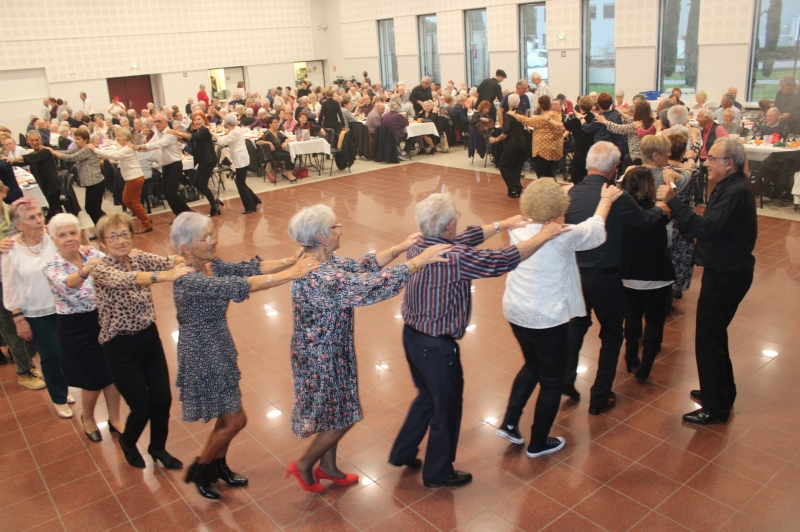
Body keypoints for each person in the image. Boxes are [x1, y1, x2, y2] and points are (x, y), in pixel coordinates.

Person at [389, 193, 569, 488]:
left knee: (426, 397)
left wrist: (503, 223)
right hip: (436, 347)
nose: (459, 226)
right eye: (455, 221)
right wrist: (544, 235)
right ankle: (438, 473)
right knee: (446, 408)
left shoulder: (420, 243)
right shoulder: (454, 258)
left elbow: (468, 237)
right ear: (448, 227)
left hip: (413, 337)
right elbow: (503, 259)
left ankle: (402, 452)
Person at [285, 204, 449, 492]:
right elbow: (369, 286)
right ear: (322, 236)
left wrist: (400, 248)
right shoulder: (318, 274)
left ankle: (328, 467)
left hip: (327, 348)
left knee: (330, 411)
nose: (340, 230)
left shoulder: (323, 259)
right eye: (335, 227)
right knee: (344, 416)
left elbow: (361, 267)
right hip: (321, 355)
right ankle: (303, 464)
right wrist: (417, 261)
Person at [170, 213, 317, 498]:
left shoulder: (210, 266)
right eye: (205, 238)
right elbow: (240, 285)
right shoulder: (187, 279)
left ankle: (218, 466)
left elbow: (250, 268)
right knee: (236, 420)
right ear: (186, 248)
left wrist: (290, 260)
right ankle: (200, 469)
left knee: (226, 417)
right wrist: (291, 274)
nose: (213, 241)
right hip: (202, 351)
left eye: (213, 234)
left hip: (218, 344)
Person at [496, 178, 623, 455]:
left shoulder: (519, 228)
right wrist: (606, 200)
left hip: (516, 310)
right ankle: (539, 442)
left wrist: (554, 194)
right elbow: (595, 229)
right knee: (552, 381)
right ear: (559, 208)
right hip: (546, 318)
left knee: (532, 365)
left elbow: (541, 213)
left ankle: (509, 423)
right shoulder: (562, 235)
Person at [656, 138, 756, 424]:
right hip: (726, 270)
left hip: (726, 274)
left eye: (712, 159)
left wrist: (673, 200)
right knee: (715, 334)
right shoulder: (730, 186)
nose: (706, 163)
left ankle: (716, 406)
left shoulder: (735, 191)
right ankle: (722, 390)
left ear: (730, 163)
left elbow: (706, 228)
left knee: (708, 338)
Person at [563, 142, 666, 410]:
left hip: (574, 275)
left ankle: (566, 378)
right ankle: (600, 395)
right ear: (615, 168)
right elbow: (644, 219)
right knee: (610, 335)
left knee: (576, 326)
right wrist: (662, 209)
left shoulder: (570, 192)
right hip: (606, 277)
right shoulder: (616, 196)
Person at [90, 212, 193, 468]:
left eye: (124, 234)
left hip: (148, 338)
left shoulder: (137, 257)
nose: (120, 240)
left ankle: (157, 448)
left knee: (163, 399)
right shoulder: (100, 268)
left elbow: (168, 261)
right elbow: (128, 280)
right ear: (102, 243)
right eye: (112, 236)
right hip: (119, 346)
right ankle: (127, 441)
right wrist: (164, 277)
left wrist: (183, 259)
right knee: (141, 406)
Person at [43, 213, 124, 441]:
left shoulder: (93, 255)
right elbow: (68, 284)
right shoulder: (52, 267)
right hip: (75, 327)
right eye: (62, 235)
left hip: (102, 320)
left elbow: (116, 263)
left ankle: (115, 418)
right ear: (53, 239)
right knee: (92, 379)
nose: (69, 238)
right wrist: (86, 269)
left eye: (72, 233)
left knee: (112, 373)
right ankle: (87, 418)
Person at [2, 198, 71, 417]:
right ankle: (59, 397)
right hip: (36, 312)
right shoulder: (11, 249)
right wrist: (18, 318)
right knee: (50, 355)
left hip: (63, 307)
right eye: (32, 218)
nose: (39, 220)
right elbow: (10, 287)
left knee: (65, 352)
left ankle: (64, 386)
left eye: (40, 215)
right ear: (19, 225)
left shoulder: (52, 237)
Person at [617, 168, 676, 384]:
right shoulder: (660, 211)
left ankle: (630, 354)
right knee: (655, 321)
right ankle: (646, 366)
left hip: (629, 275)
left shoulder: (620, 211)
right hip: (658, 274)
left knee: (631, 316)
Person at [0, 186, 42, 387]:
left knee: (30, 324)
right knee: (11, 328)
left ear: (3, 192)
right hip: (3, 283)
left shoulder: (16, 213)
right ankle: (23, 371)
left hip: (24, 277)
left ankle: (30, 361)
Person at [92, 127, 153, 233]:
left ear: (125, 136)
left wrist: (95, 149)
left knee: (134, 202)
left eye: (119, 136)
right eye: (116, 136)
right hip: (130, 178)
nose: (117, 138)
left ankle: (146, 223)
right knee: (126, 201)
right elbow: (112, 152)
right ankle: (144, 217)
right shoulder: (122, 147)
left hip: (135, 177)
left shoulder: (127, 149)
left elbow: (113, 155)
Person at [133, 113, 192, 219]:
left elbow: (157, 145)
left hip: (174, 165)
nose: (157, 124)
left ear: (165, 122)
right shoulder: (157, 134)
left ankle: (188, 212)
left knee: (171, 192)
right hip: (166, 166)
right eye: (155, 121)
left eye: (159, 121)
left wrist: (139, 147)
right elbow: (151, 142)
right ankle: (179, 214)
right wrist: (138, 147)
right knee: (165, 191)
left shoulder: (169, 134)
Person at [46, 128, 107, 225]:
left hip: (96, 184)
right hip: (91, 184)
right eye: (75, 138)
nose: (75, 141)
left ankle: (108, 225)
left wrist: (54, 153)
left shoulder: (87, 149)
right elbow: (68, 152)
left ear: (85, 140)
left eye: (78, 139)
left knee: (93, 209)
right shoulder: (80, 148)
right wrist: (52, 151)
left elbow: (71, 158)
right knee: (91, 209)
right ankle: (101, 228)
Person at [168, 112, 222, 217]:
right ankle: (214, 200)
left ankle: (214, 205)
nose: (196, 122)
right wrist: (177, 135)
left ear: (203, 120)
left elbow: (193, 137)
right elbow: (186, 137)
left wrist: (177, 133)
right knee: (196, 183)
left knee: (201, 184)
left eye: (199, 119)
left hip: (208, 160)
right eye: (195, 120)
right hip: (201, 161)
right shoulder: (193, 129)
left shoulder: (205, 130)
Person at [665, 134, 699, 301]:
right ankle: (677, 287)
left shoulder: (663, 170)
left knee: (667, 252)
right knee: (682, 253)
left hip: (666, 216)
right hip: (684, 216)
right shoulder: (691, 172)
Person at [5, 130, 62, 221]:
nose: (34, 143)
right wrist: (9, 162)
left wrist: (13, 159)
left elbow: (29, 158)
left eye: (36, 140)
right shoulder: (33, 153)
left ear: (40, 139)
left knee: (55, 210)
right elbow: (25, 161)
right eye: (32, 140)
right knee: (54, 209)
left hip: (52, 185)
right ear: (28, 140)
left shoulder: (45, 152)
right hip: (45, 185)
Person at [217, 113, 260, 214]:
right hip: (242, 157)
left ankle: (250, 206)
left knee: (240, 184)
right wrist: (218, 113)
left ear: (227, 124)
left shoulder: (233, 133)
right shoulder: (237, 129)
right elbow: (227, 121)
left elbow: (221, 141)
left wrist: (210, 132)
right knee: (241, 182)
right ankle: (254, 200)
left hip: (240, 159)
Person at [515, 96, 565, 179]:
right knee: (551, 173)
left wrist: (514, 114)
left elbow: (526, 120)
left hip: (542, 150)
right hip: (555, 148)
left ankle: (546, 191)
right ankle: (554, 190)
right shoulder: (557, 115)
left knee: (542, 175)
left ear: (540, 106)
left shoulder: (539, 119)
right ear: (550, 104)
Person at [492, 94, 527, 197]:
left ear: (508, 103)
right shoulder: (520, 113)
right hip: (522, 143)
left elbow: (506, 132)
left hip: (512, 144)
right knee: (516, 166)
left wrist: (495, 139)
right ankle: (513, 190)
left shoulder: (508, 115)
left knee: (503, 165)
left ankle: (516, 186)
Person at [582, 93, 627, 158]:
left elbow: (587, 129)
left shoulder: (599, 118)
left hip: (604, 151)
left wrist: (582, 120)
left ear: (598, 104)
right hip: (619, 148)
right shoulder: (617, 114)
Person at [564, 96, 596, 185]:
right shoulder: (594, 118)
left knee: (576, 175)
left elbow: (561, 126)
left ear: (580, 105)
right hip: (592, 152)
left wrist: (547, 118)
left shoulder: (576, 120)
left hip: (580, 152)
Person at [256, 117, 296, 183]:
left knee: (293, 154)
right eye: (275, 122)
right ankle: (289, 174)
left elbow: (286, 138)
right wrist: (269, 142)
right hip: (272, 154)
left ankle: (286, 172)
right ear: (270, 124)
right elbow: (258, 142)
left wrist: (285, 142)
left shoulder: (277, 133)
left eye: (277, 122)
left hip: (279, 151)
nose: (277, 124)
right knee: (287, 156)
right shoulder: (268, 133)